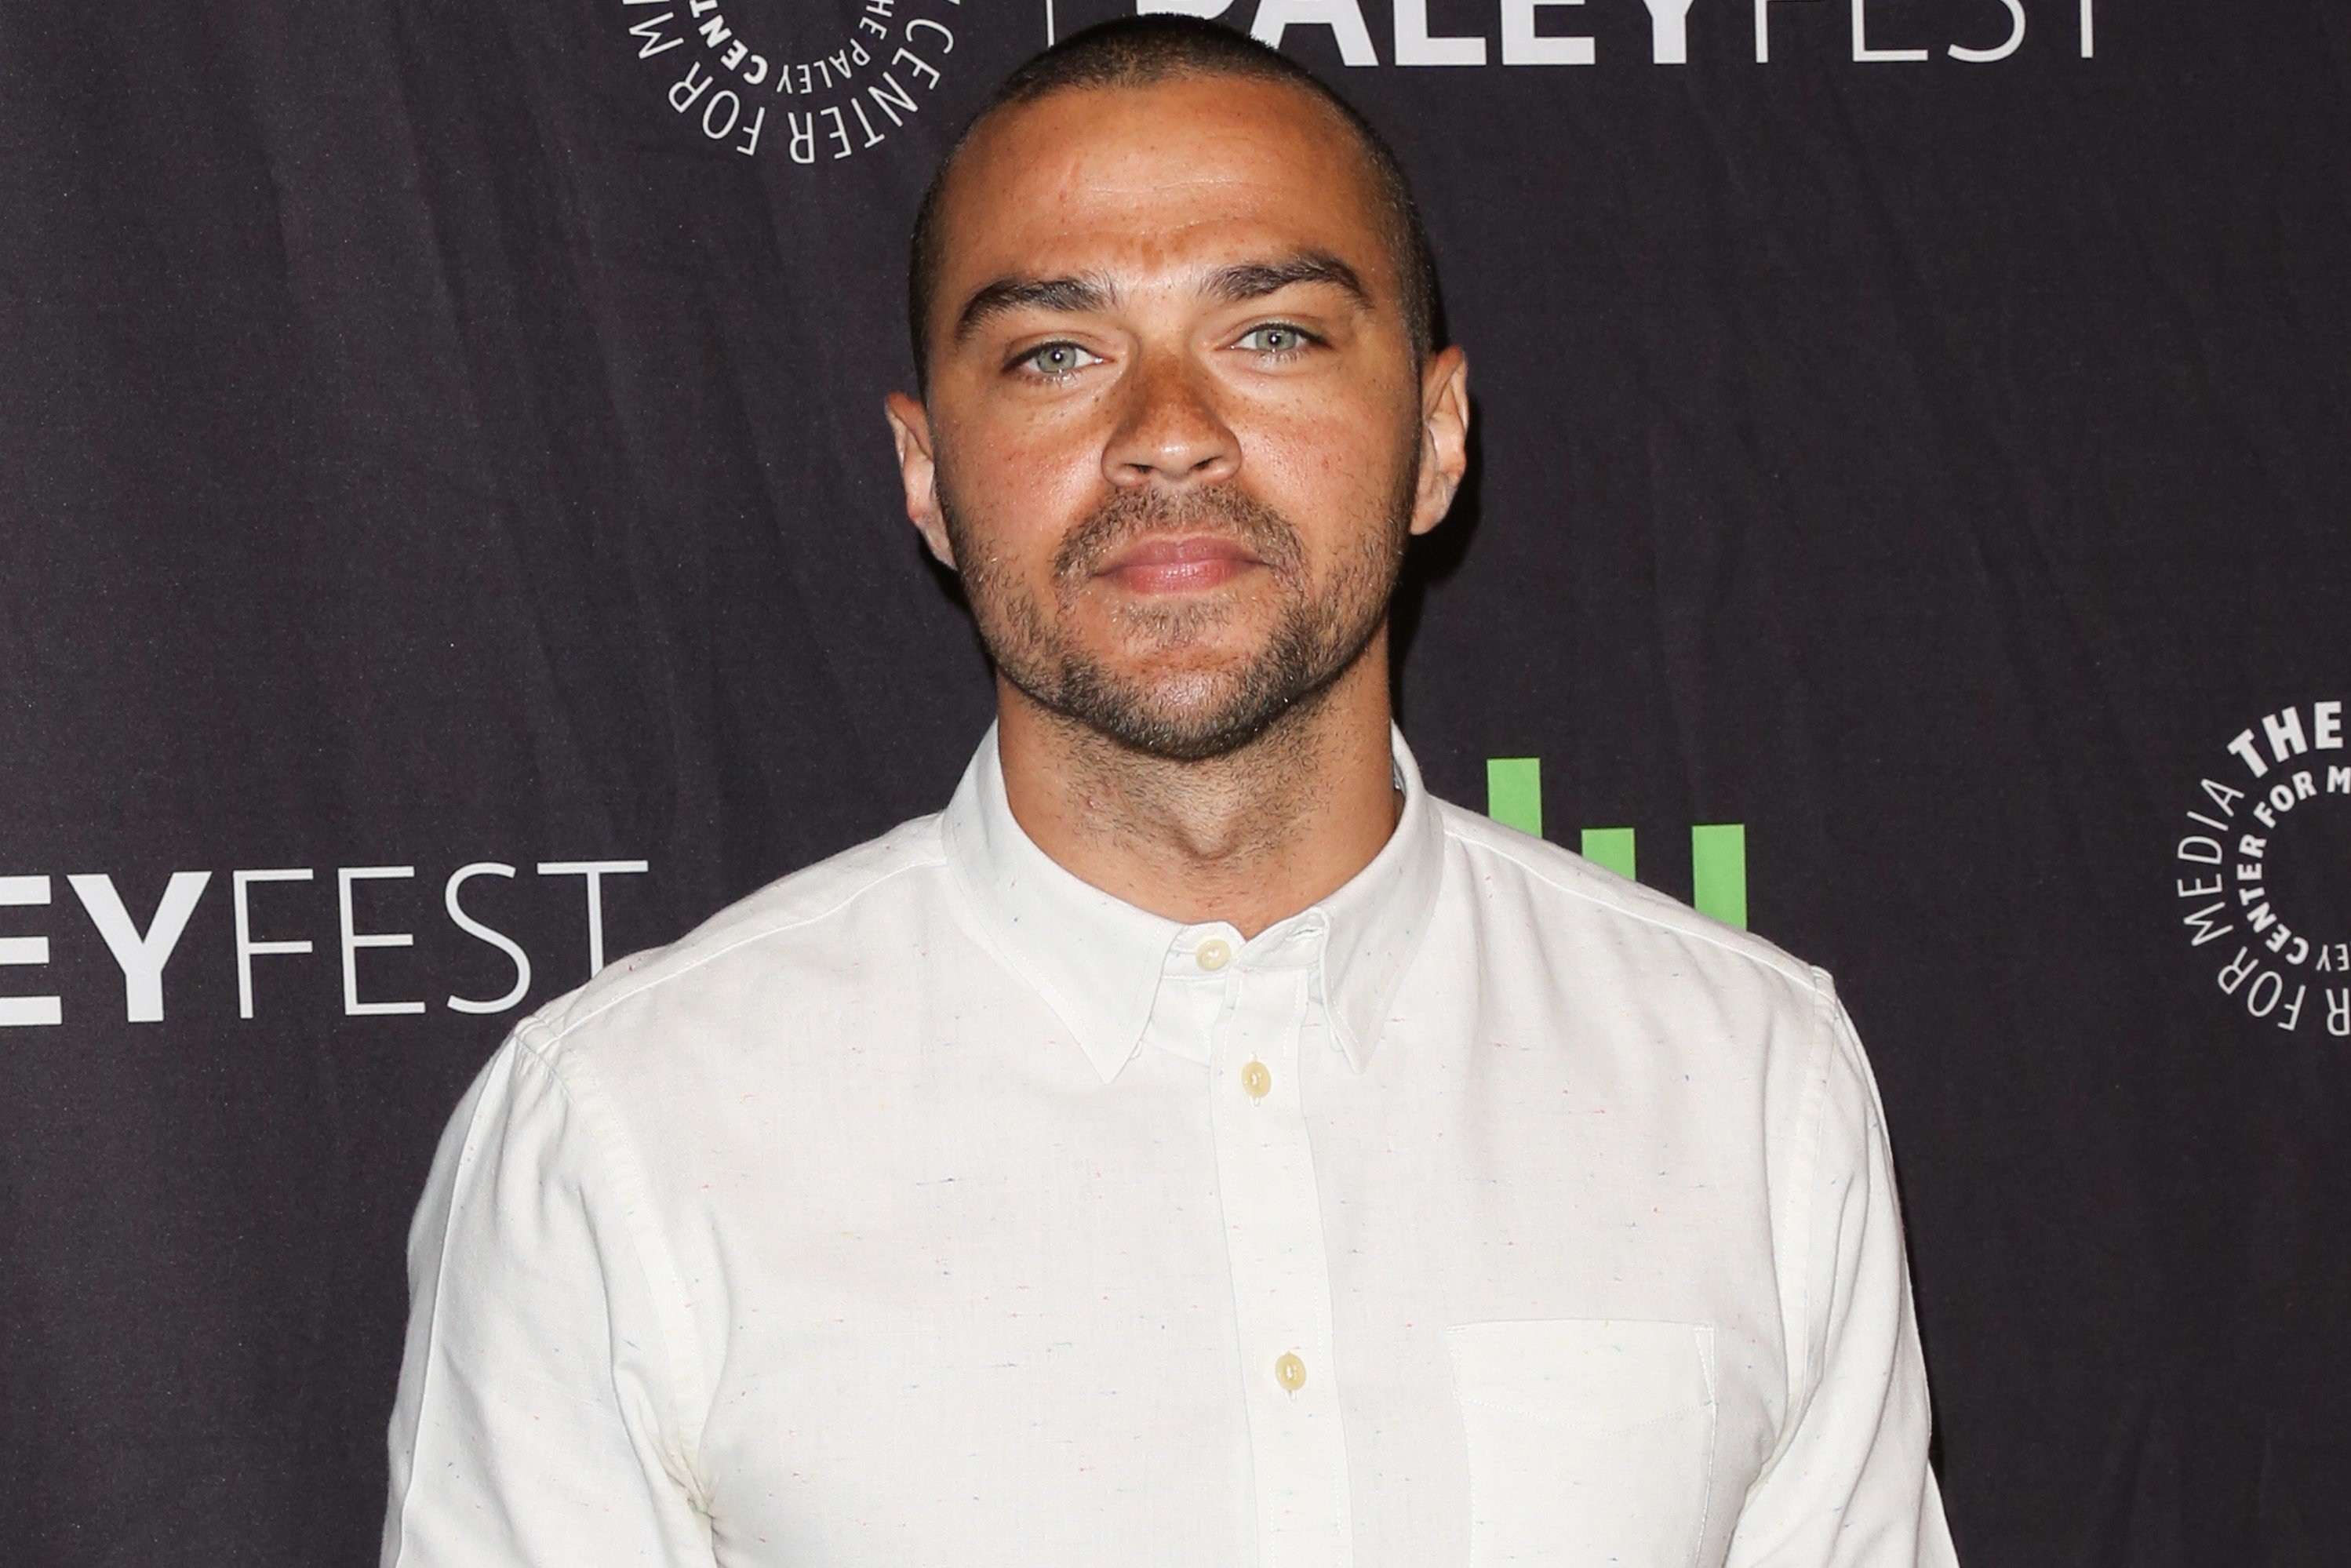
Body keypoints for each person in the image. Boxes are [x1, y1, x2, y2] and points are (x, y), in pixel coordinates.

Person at [380, 17, 1960, 1566]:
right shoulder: (625, 1134)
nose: (1166, 438)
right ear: (926, 474)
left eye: (1268, 331)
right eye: (1057, 352)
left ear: (1435, 434)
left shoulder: (1747, 1083)